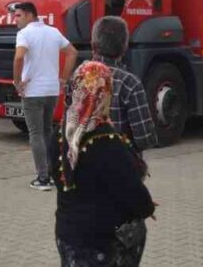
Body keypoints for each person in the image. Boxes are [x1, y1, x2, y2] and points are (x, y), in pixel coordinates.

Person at [53, 61, 155, 266]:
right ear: (105, 93)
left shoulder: (61, 133)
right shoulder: (106, 143)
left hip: (68, 234)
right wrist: (147, 208)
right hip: (99, 241)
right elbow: (136, 195)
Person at [14, 1, 78, 191]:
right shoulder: (53, 32)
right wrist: (64, 79)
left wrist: (17, 82)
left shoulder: (24, 34)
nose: (14, 20)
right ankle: (54, 171)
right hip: (51, 90)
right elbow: (72, 53)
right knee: (48, 130)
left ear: (29, 15)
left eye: (18, 16)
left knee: (35, 134)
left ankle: (43, 178)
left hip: (32, 91)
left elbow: (18, 57)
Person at [90, 17, 157, 152]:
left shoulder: (77, 77)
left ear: (93, 46)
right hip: (121, 166)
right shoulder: (130, 83)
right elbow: (144, 138)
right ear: (125, 47)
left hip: (83, 167)